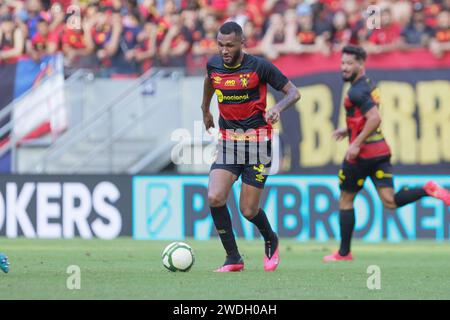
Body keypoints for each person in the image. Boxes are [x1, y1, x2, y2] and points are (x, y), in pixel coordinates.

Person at [323, 45, 450, 262]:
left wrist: (355, 143)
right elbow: (365, 117)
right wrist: (349, 130)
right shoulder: (367, 84)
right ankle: (427, 189)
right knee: (390, 202)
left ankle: (344, 253)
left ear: (361, 64)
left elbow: (375, 118)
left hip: (361, 156)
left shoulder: (356, 90)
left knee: (345, 200)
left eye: (349, 64)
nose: (343, 68)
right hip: (380, 151)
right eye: (342, 63)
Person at [201, 21, 301, 272]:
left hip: (258, 145)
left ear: (242, 43)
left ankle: (270, 237)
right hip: (229, 142)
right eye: (220, 45)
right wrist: (205, 110)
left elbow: (294, 93)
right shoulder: (214, 65)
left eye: (230, 45)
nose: (224, 50)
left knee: (248, 209)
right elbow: (209, 82)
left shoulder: (259, 66)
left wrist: (277, 108)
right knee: (215, 196)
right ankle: (233, 257)